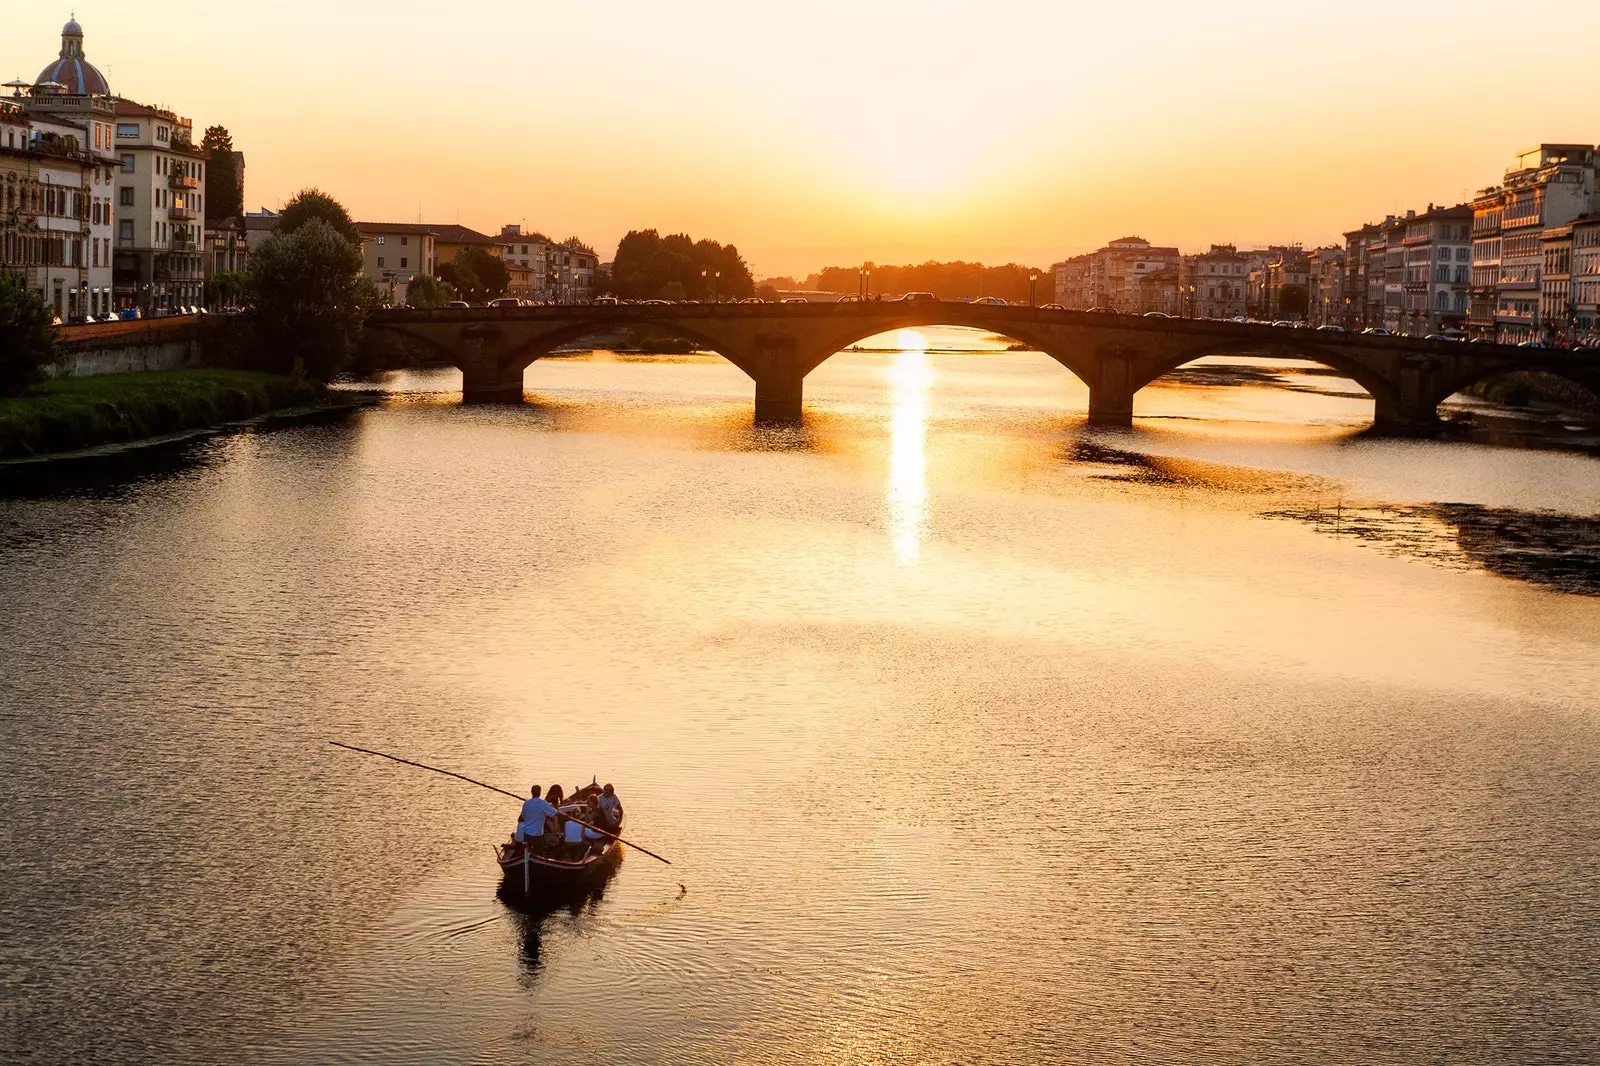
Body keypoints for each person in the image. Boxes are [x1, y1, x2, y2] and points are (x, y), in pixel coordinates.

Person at [514, 785, 559, 849]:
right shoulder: (543, 803)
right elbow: (555, 813)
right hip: (537, 834)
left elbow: (523, 817)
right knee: (538, 851)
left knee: (528, 851)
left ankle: (527, 856)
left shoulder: (526, 803)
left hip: (526, 834)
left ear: (531, 792)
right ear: (540, 793)